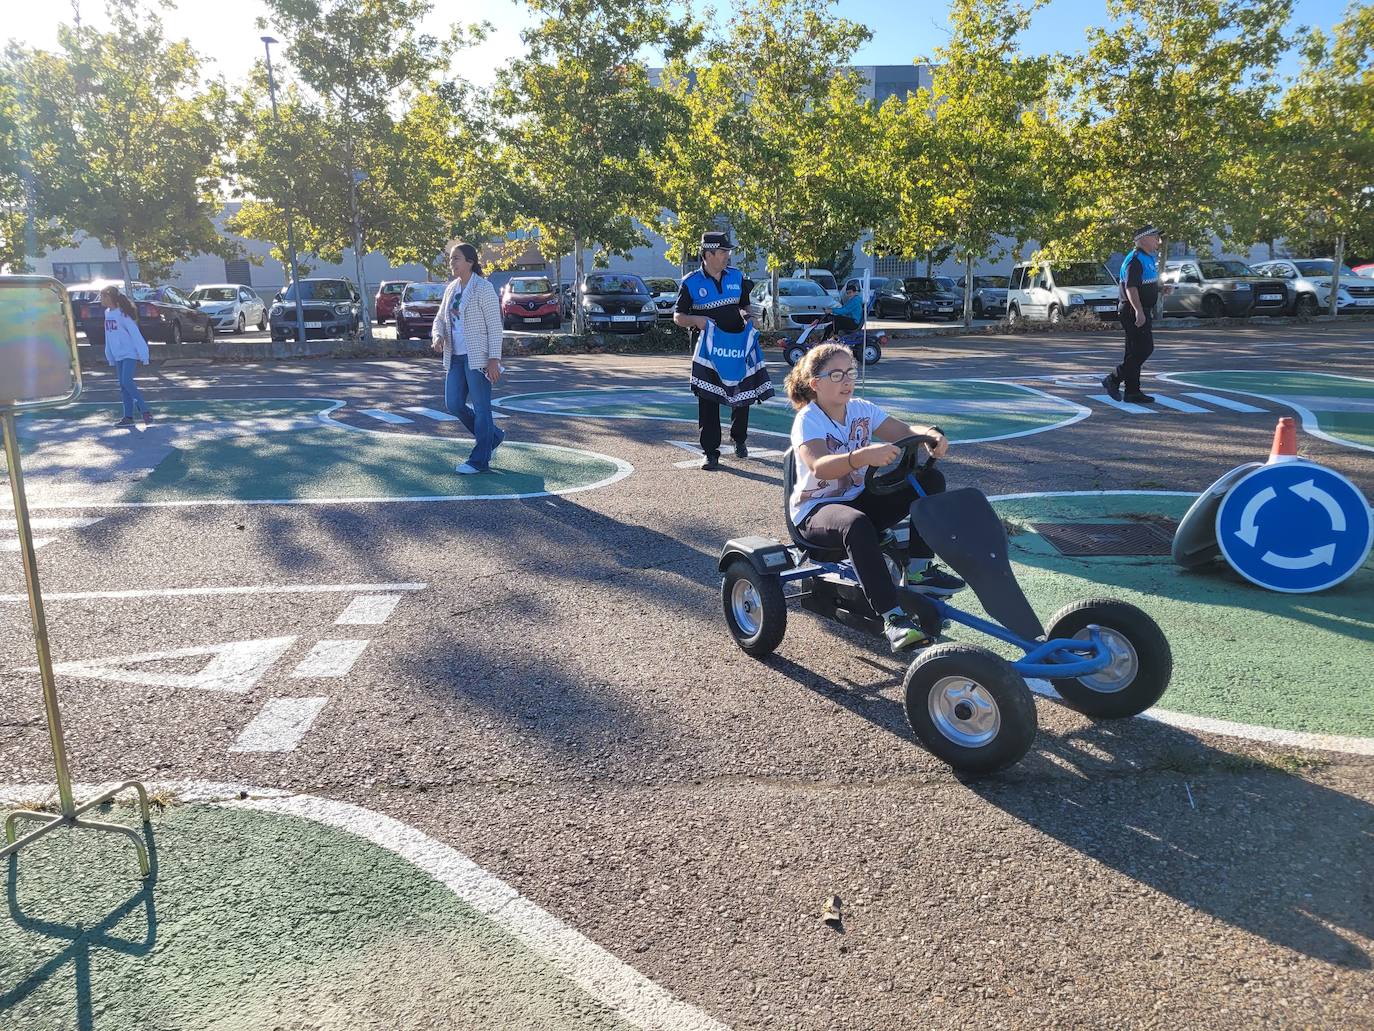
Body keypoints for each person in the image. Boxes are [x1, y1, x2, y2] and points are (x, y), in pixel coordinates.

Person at [785, 343, 966, 653]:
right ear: (816, 384)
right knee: (855, 524)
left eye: (850, 373)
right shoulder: (808, 419)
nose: (847, 381)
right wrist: (862, 456)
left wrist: (931, 435)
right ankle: (893, 618)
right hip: (816, 511)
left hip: (859, 497)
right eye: (837, 374)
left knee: (929, 480)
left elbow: (904, 430)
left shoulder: (861, 410)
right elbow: (820, 466)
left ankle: (921, 570)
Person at [674, 231, 768, 470]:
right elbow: (678, 316)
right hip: (708, 350)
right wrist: (698, 320)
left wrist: (749, 316)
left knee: (742, 391)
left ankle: (739, 439)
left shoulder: (736, 276)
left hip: (737, 345)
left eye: (728, 252)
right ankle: (710, 452)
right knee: (708, 397)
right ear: (708, 254)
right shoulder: (691, 282)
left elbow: (744, 305)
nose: (727, 256)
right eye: (723, 251)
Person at [432, 241, 506, 474]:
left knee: (483, 408)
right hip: (455, 356)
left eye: (456, 258)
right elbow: (440, 320)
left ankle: (479, 460)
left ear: (470, 262)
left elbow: (495, 326)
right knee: (453, 404)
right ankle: (492, 437)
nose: (451, 262)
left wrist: (494, 359)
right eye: (451, 258)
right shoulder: (451, 289)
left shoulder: (483, 288)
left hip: (479, 358)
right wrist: (437, 335)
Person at [1102, 225, 1171, 404]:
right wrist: (1139, 311)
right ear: (1144, 239)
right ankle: (1113, 379)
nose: (1159, 241)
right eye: (1156, 237)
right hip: (1133, 310)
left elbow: (1143, 285)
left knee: (1133, 352)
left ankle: (1132, 392)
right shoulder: (1135, 260)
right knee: (1144, 349)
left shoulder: (1146, 258)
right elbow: (1130, 287)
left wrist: (1160, 289)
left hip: (1139, 309)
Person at [100, 285, 152, 426]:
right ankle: (128, 417)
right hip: (118, 355)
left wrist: (143, 353)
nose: (101, 299)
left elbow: (135, 334)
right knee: (123, 386)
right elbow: (108, 336)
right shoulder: (107, 313)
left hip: (129, 353)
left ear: (110, 297)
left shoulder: (123, 314)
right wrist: (109, 354)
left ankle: (144, 410)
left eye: (103, 296)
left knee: (127, 381)